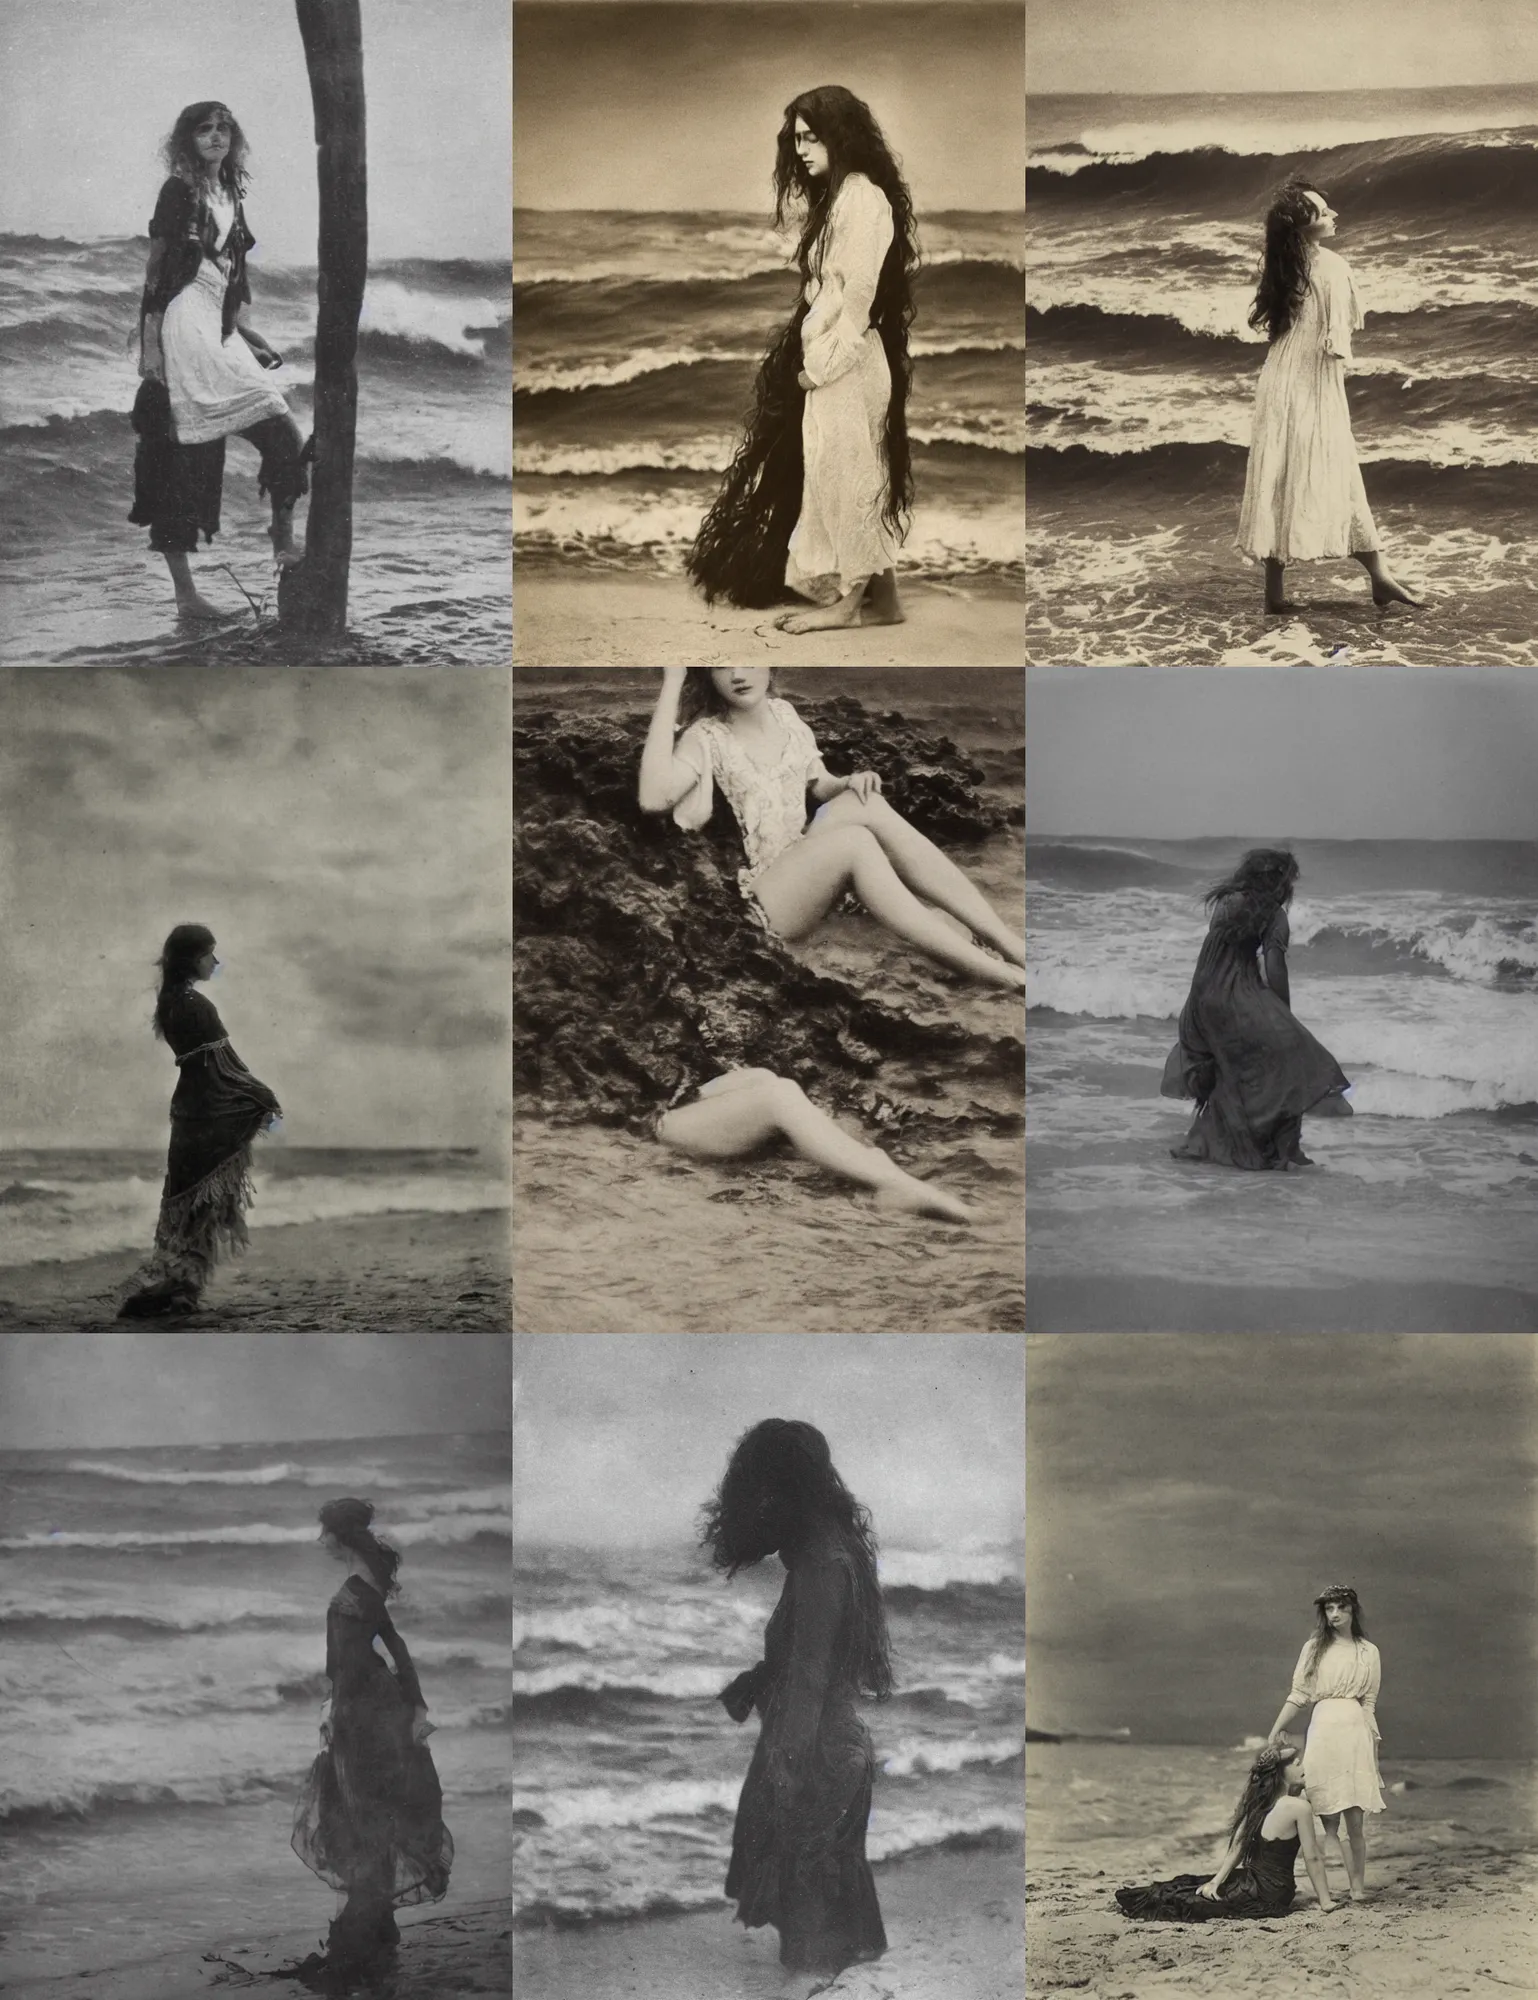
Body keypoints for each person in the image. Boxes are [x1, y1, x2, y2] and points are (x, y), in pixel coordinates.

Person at [686, 86, 917, 630]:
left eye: (813, 138)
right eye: (797, 140)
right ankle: (883, 603)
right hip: (837, 361)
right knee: (839, 471)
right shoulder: (839, 199)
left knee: (850, 477)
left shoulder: (863, 199)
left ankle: (846, 606)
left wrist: (819, 370)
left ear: (841, 136)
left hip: (848, 364)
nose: (803, 150)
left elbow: (858, 304)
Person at [639, 667, 1025, 990]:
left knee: (865, 803)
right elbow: (653, 798)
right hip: (767, 899)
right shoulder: (705, 736)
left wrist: (847, 783)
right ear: (706, 673)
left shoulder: (784, 714)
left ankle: (1005, 942)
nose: (738, 674)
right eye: (722, 665)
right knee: (855, 842)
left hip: (804, 864)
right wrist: (673, 678)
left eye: (746, 658)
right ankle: (994, 974)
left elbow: (817, 783)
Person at [704, 1420, 892, 1995]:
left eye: (759, 1493)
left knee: (811, 1944)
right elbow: (818, 1663)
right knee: (813, 1926)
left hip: (819, 1755)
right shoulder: (833, 1554)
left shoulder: (820, 1566)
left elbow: (812, 1678)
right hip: (831, 1748)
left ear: (782, 1492)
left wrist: (788, 1760)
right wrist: (758, 1679)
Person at [130, 101, 309, 622]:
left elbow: (228, 274)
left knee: (280, 429)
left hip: (218, 323)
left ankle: (282, 538)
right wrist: (150, 344)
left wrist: (246, 333)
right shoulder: (178, 190)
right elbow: (157, 269)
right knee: (182, 458)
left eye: (222, 129)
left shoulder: (231, 191)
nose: (215, 137)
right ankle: (188, 597)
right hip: (183, 322)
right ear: (187, 140)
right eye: (204, 130)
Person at [1236, 180, 1421, 616]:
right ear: (1303, 226)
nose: (1333, 214)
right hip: (1312, 384)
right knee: (1336, 473)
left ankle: (1275, 595)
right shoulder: (1333, 267)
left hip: (1277, 379)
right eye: (1323, 212)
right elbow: (1337, 341)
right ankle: (1380, 576)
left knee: (1278, 478)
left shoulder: (1284, 264)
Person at [290, 1498, 454, 1985]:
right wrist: (413, 1705)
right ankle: (376, 1928)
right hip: (375, 1707)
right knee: (370, 1814)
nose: (320, 1542)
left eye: (324, 1533)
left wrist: (335, 1713)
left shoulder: (354, 1593)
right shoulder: (369, 1586)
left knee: (359, 1814)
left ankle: (359, 1938)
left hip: (362, 1713)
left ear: (340, 1536)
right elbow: (395, 1646)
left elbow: (351, 1664)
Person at [118, 924, 281, 1318]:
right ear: (193, 959)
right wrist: (262, 1096)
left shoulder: (169, 1002)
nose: (216, 961)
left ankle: (178, 1285)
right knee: (204, 1205)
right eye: (210, 954)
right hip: (208, 1109)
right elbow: (224, 1066)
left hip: (187, 1110)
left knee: (187, 1201)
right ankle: (181, 1288)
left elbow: (209, 1065)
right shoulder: (197, 1005)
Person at [1159, 848, 1352, 1170]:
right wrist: (1283, 1013)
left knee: (1233, 1070)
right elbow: (1275, 967)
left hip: (1202, 999)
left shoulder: (1227, 902)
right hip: (1236, 993)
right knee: (1294, 1059)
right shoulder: (1273, 914)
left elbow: (1213, 956)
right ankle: (1281, 1149)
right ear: (1281, 881)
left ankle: (1240, 1146)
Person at [1116, 1742, 1336, 1921]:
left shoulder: (1261, 1803)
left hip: (1257, 1884)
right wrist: (1325, 1901)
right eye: (1295, 1762)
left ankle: (1142, 1900)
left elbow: (1237, 1848)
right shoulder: (1298, 1807)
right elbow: (1313, 1857)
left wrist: (1217, 1880)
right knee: (1191, 1889)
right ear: (1281, 1772)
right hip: (1274, 1892)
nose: (1301, 1764)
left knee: (1188, 1889)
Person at [1264, 1585, 1384, 1904]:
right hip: (1324, 1729)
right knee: (1327, 1817)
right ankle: (1327, 1890)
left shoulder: (1368, 1651)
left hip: (1355, 1731)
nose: (1334, 1614)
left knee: (1355, 1819)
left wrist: (1371, 1741)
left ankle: (1357, 1887)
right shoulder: (1314, 1647)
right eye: (1329, 1609)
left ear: (1352, 1610)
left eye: (1340, 1608)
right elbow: (1299, 1694)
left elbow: (1369, 1701)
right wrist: (1276, 1728)